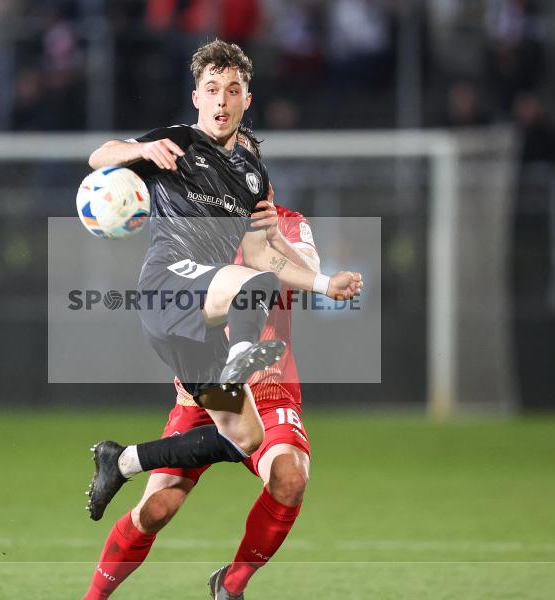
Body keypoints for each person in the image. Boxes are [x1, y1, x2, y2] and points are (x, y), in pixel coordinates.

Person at [83, 40, 361, 525]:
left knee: (243, 438)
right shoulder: (176, 142)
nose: (222, 100)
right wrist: (141, 148)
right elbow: (99, 156)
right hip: (168, 283)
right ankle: (240, 359)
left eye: (233, 90)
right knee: (252, 286)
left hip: (205, 314)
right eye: (212, 89)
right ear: (197, 97)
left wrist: (323, 283)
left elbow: (261, 256)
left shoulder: (252, 175)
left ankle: (121, 460)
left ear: (246, 100)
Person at [83, 136, 316, 600]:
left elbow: (310, 270)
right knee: (156, 510)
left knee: (289, 475)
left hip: (269, 389)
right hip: (203, 393)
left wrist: (271, 240)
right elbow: (102, 157)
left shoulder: (286, 222)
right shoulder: (198, 224)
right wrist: (139, 154)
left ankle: (231, 585)